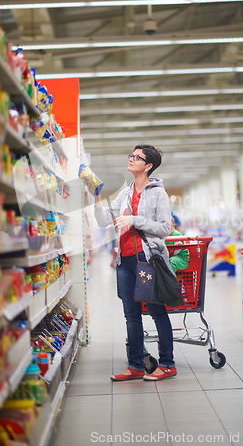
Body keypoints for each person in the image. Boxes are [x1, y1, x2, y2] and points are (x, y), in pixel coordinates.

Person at [94, 145, 177, 381]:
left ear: (148, 165)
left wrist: (134, 219)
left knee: (156, 311)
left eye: (136, 157)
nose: (131, 159)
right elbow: (103, 221)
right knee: (131, 315)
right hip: (126, 260)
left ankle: (168, 363)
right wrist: (96, 196)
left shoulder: (158, 193)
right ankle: (136, 366)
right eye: (131, 155)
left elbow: (164, 228)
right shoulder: (125, 193)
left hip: (147, 260)